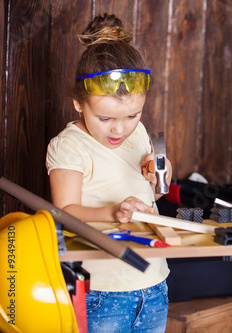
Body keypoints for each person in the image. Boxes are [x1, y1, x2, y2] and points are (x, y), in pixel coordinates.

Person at [46, 13, 171, 332]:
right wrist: (113, 212)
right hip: (102, 288)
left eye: (133, 114)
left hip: (154, 281)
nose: (120, 128)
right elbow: (64, 212)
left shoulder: (139, 133)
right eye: (105, 119)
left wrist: (160, 176)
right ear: (78, 103)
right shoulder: (70, 146)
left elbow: (152, 196)